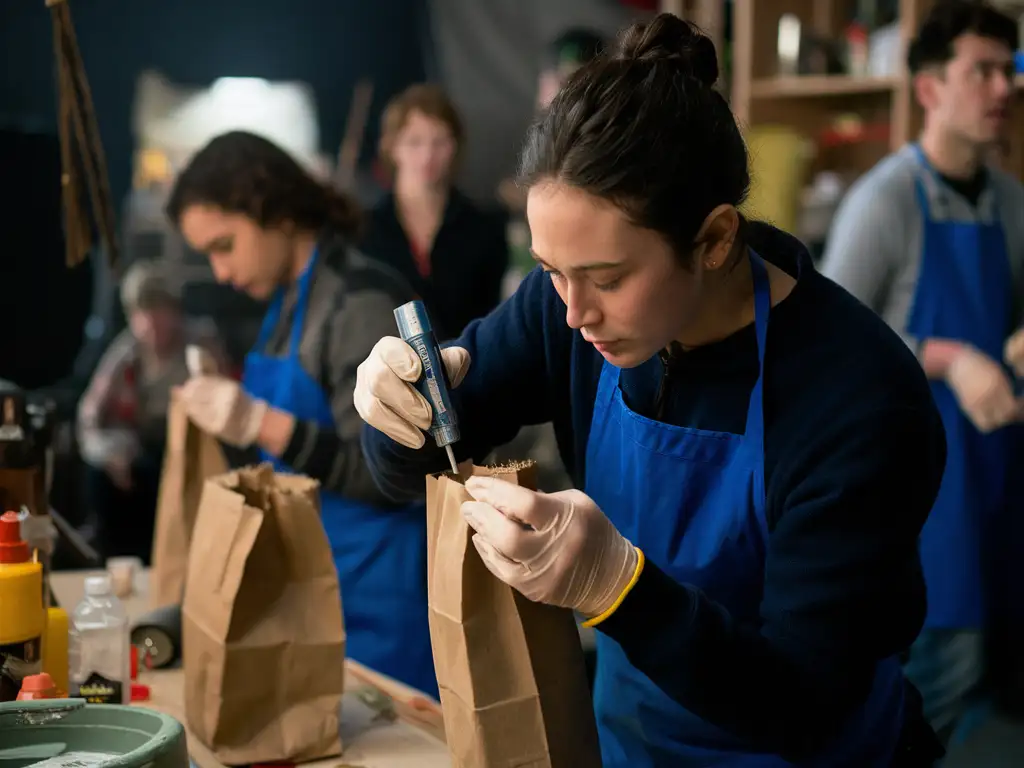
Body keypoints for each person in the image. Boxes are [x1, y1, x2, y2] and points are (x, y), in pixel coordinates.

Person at [355, 14, 947, 766]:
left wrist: (620, 588)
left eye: (607, 278)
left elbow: (805, 702)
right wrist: (394, 409)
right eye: (549, 270)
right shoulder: (565, 308)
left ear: (715, 239)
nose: (573, 312)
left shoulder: (857, 396)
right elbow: (418, 463)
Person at [165, 131, 437, 697]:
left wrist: (259, 422)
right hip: (325, 590)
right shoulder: (289, 307)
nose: (219, 271)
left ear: (276, 212)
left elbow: (394, 476)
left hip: (388, 602)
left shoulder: (356, 302)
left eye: (224, 245)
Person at [820, 0, 1024, 748]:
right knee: (935, 682)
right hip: (923, 503)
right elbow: (828, 348)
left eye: (1010, 70)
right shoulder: (884, 202)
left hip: (999, 479)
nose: (1004, 87)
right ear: (931, 90)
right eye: (983, 71)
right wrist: (946, 356)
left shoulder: (1011, 203)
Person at [77, 259, 227, 562]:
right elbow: (89, 417)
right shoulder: (126, 354)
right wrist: (110, 453)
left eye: (159, 310)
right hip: (142, 457)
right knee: (104, 479)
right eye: (141, 313)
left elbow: (227, 401)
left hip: (194, 450)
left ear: (175, 311)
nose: (151, 323)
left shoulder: (200, 343)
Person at [361, 84, 508, 341]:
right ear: (391, 146)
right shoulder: (364, 231)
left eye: (439, 141)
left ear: (455, 146)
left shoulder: (484, 229)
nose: (427, 156)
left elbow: (492, 318)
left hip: (469, 369)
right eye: (414, 142)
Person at [497, 28, 607, 213]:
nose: (558, 94)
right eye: (554, 82)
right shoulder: (542, 136)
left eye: (569, 82)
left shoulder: (607, 137)